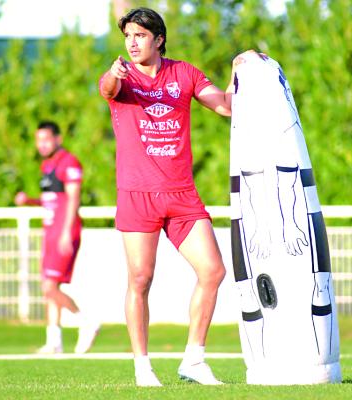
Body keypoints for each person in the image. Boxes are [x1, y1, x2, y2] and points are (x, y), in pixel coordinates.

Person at [99, 7, 261, 386]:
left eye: (140, 36)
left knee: (214, 271)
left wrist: (242, 70)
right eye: (128, 36)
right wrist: (112, 73)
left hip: (181, 196)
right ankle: (142, 367)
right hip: (137, 195)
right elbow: (106, 88)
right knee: (140, 278)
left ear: (158, 39)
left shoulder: (184, 73)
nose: (133, 43)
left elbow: (224, 105)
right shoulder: (121, 76)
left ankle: (193, 360)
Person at [15, 121, 100, 355]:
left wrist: (65, 232)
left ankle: (86, 322)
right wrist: (29, 200)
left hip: (64, 232)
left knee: (49, 287)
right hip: (51, 232)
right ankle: (54, 341)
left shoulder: (69, 162)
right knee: (50, 287)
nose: (41, 144)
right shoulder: (47, 165)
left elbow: (73, 199)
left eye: (46, 139)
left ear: (58, 139)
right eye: (38, 140)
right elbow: (51, 201)